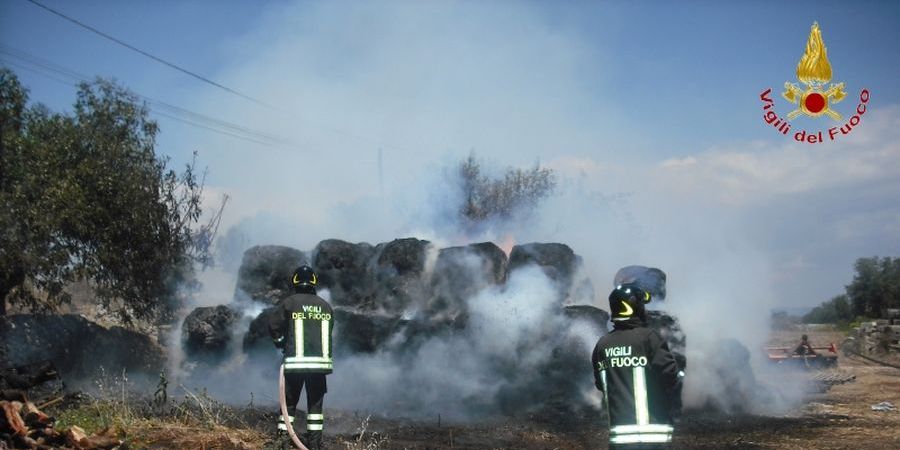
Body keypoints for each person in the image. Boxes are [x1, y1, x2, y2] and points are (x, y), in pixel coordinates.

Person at [592, 283, 682, 449]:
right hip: (652, 437)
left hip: (619, 439)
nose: (645, 310)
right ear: (635, 307)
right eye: (642, 305)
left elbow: (600, 385)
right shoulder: (648, 338)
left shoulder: (602, 345)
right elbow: (670, 376)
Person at [269, 265, 334, 450]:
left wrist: (281, 343)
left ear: (295, 281)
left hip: (295, 364)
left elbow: (274, 326)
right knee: (315, 407)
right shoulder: (326, 306)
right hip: (319, 367)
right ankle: (315, 444)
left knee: (288, 403)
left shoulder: (289, 303)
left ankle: (282, 440)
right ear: (314, 282)